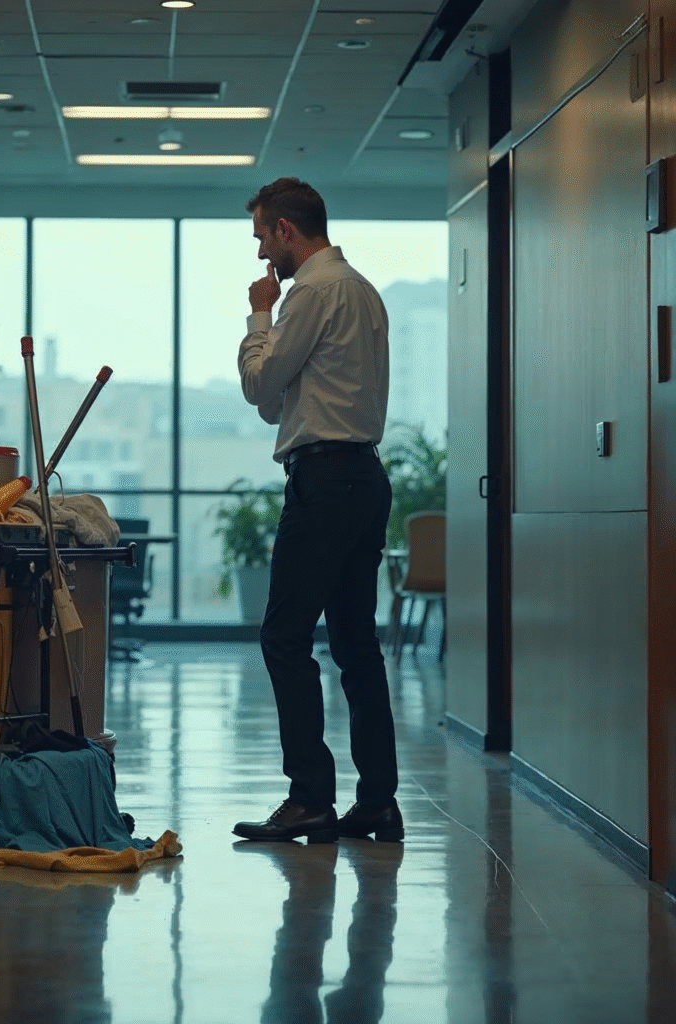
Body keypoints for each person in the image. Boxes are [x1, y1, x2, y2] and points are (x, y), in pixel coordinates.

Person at [232, 177, 404, 844]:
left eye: (261, 238)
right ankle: (377, 803)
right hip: (363, 475)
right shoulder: (363, 291)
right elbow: (281, 400)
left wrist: (258, 318)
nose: (260, 257)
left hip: (324, 481)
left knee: (284, 637)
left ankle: (309, 797)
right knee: (357, 646)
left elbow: (260, 387)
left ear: (285, 231)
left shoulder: (310, 292)